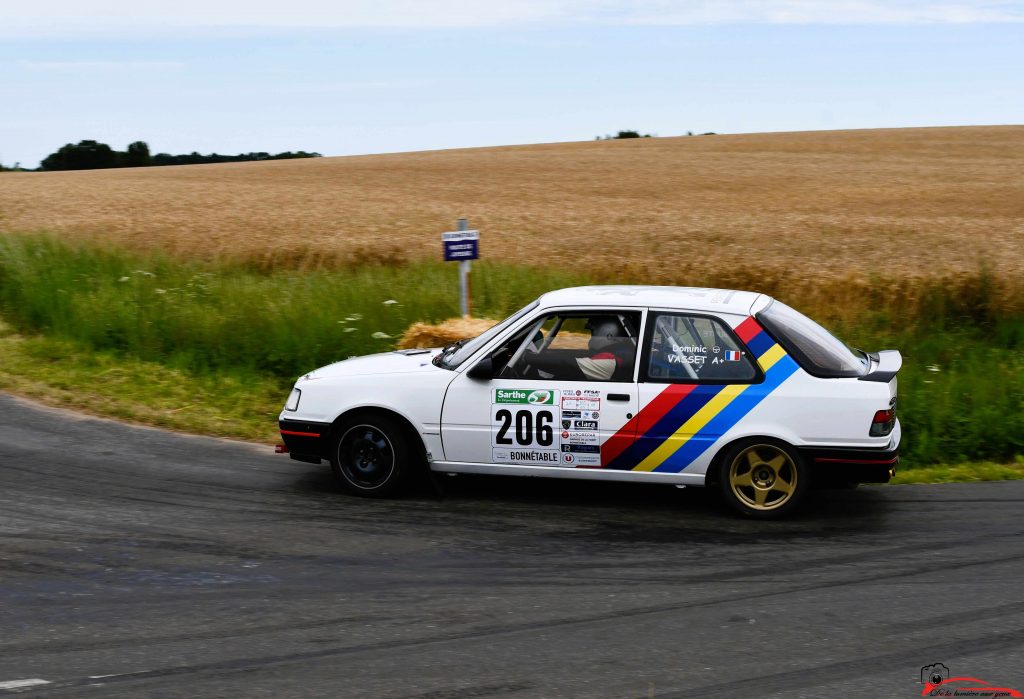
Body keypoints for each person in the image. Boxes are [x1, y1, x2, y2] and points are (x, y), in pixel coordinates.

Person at [528, 318, 633, 381]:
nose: (591, 337)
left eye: (593, 333)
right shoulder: (619, 353)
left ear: (610, 336)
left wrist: (527, 357)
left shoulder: (612, 360)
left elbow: (568, 365)